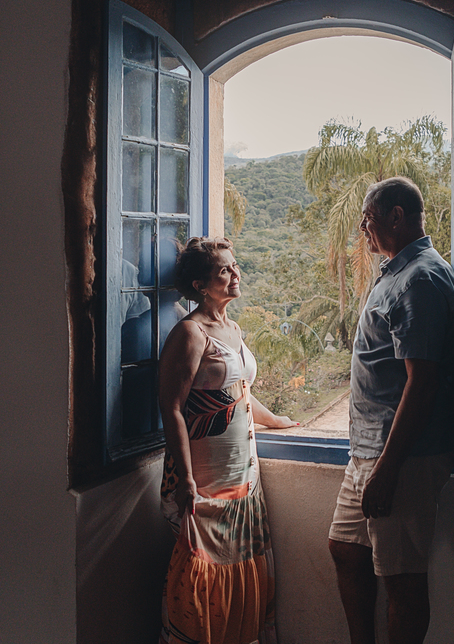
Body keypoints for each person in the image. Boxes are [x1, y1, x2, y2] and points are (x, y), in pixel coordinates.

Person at [327, 177, 454, 644]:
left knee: (401, 580)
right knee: (345, 548)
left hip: (401, 457)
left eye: (368, 219)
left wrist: (388, 469)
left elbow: (422, 384)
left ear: (396, 217)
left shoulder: (419, 280)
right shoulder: (397, 270)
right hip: (369, 450)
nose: (363, 229)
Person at [158, 236, 298, 644]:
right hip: (205, 479)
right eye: (225, 270)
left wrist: (276, 420)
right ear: (200, 285)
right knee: (199, 578)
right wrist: (186, 479)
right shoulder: (190, 333)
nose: (236, 274)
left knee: (242, 570)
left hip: (243, 478)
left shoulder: (233, 329)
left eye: (234, 266)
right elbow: (172, 408)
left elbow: (239, 395)